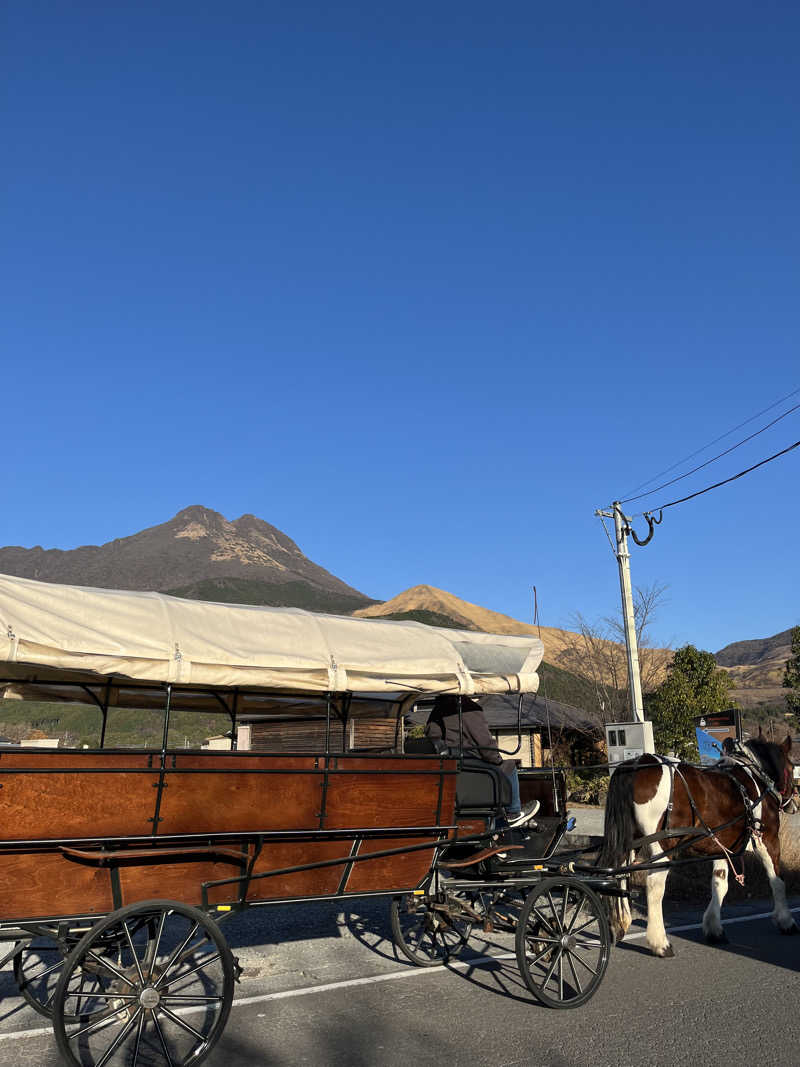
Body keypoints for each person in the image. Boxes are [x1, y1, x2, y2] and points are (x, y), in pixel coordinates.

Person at [425, 694, 539, 829]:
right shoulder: (467, 708)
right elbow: (485, 743)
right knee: (509, 766)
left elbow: (431, 736)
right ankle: (513, 813)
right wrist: (497, 760)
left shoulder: (436, 711)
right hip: (470, 769)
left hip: (449, 767)